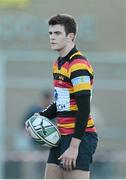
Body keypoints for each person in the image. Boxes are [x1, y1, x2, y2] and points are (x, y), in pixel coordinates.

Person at [25, 14, 98, 179]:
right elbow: (62, 103)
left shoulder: (78, 64)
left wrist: (74, 146)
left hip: (80, 137)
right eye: (50, 33)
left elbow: (84, 108)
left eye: (57, 33)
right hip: (61, 136)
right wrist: (39, 116)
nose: (52, 37)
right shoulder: (58, 63)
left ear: (70, 36)